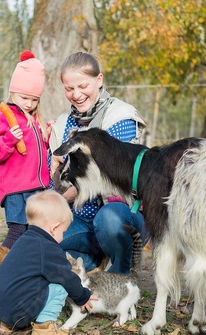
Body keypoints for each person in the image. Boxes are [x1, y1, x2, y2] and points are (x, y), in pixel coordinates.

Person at [49, 51, 147, 274]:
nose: (76, 94)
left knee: (109, 220)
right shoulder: (63, 124)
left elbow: (105, 176)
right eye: (69, 88)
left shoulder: (120, 117)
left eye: (83, 86)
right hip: (80, 217)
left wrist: (58, 198)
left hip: (119, 211)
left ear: (99, 80)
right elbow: (52, 174)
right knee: (41, 241)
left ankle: (121, 275)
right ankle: (92, 264)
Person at [0, 190, 95, 335]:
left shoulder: (23, 240)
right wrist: (83, 296)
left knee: (29, 280)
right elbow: (67, 277)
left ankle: (8, 325)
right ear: (54, 228)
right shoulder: (48, 248)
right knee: (60, 286)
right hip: (17, 312)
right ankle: (44, 331)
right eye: (63, 232)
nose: (63, 237)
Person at [0, 50, 50, 249]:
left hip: (35, 188)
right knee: (18, 231)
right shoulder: (3, 116)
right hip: (16, 189)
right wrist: (9, 139)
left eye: (34, 100)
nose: (29, 104)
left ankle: (23, 271)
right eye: (24, 98)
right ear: (13, 92)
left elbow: (35, 150)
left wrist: (47, 135)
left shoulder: (34, 118)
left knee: (33, 232)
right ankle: (0, 268)